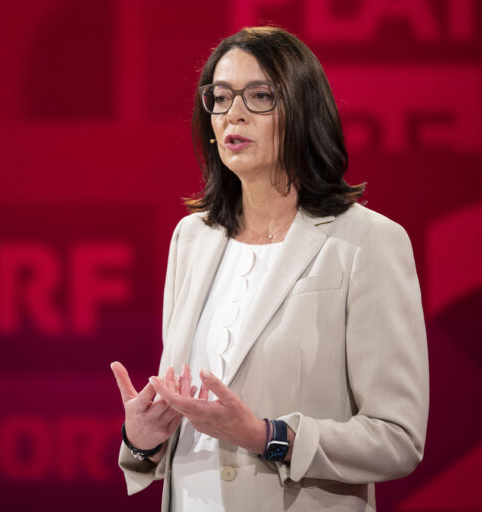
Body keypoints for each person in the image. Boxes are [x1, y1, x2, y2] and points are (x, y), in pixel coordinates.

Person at [110, 26, 429, 511]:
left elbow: (397, 438)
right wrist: (143, 439)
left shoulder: (367, 242)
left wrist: (268, 436)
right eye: (219, 97)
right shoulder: (192, 239)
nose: (233, 112)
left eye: (259, 96)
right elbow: (179, 432)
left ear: (303, 111)